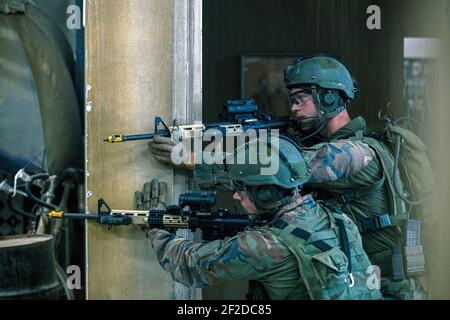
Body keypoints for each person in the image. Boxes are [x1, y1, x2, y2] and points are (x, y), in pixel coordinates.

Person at [148, 55, 424, 299]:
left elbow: (275, 168)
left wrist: (193, 157)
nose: (292, 108)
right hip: (356, 279)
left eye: (299, 99)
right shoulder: (338, 145)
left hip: (388, 286)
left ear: (329, 98)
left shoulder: (354, 153)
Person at [145, 136, 382, 300]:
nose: (236, 196)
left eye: (241, 188)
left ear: (265, 193)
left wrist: (154, 226)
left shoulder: (266, 246)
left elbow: (192, 264)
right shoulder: (337, 218)